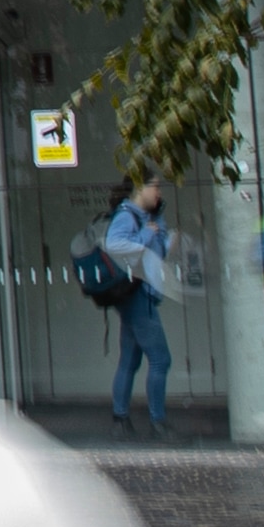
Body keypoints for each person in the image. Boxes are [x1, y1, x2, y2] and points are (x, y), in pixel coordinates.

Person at [100, 175, 177, 435]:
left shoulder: (146, 217)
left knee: (130, 361)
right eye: (154, 186)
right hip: (137, 296)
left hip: (139, 296)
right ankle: (158, 422)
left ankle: (120, 421)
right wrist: (147, 233)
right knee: (160, 360)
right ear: (138, 189)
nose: (158, 192)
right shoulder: (127, 216)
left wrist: (162, 232)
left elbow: (156, 254)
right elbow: (115, 244)